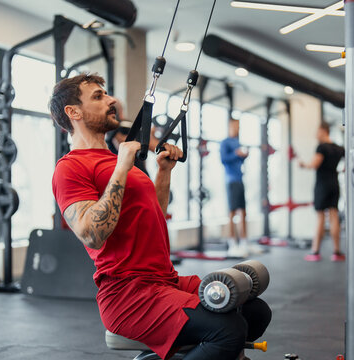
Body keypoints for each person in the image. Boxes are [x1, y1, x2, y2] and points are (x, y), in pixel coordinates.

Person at [49, 73, 271, 360]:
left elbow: (152, 211)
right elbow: (91, 233)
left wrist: (163, 173)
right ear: (73, 112)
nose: (111, 100)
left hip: (163, 281)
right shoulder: (71, 167)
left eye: (106, 93)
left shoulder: (116, 159)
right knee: (227, 330)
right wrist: (122, 166)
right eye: (98, 96)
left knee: (255, 312)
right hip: (128, 295)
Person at [299, 122, 345, 262]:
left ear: (323, 131)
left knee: (320, 217)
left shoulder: (322, 147)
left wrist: (303, 164)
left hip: (322, 185)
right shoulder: (338, 148)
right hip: (334, 184)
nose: (315, 135)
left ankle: (315, 251)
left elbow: (314, 164)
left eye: (317, 132)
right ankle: (336, 252)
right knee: (334, 216)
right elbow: (347, 165)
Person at [220, 118, 251, 258]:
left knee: (243, 211)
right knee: (232, 212)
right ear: (229, 126)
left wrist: (244, 156)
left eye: (238, 126)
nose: (237, 129)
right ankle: (232, 243)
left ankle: (244, 242)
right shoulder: (225, 142)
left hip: (239, 179)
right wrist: (236, 154)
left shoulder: (237, 142)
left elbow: (239, 159)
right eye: (235, 126)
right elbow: (224, 159)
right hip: (231, 180)